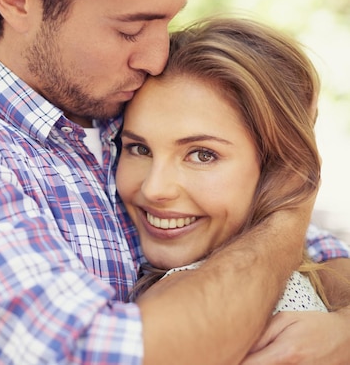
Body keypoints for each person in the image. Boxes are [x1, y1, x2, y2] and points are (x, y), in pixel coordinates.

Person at [0, 0, 350, 364]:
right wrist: (292, 204)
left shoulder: (133, 110)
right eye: (130, 29)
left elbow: (323, 258)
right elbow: (83, 355)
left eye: (167, 21)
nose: (156, 57)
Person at [118, 17, 333, 315]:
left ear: (278, 168)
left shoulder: (274, 319)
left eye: (202, 155)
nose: (154, 189)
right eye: (139, 149)